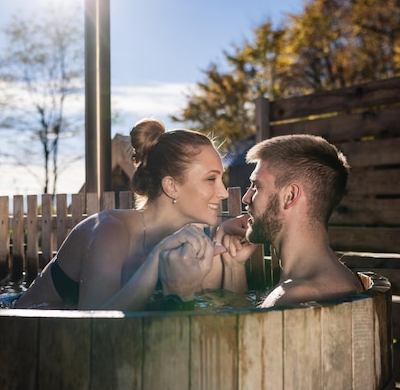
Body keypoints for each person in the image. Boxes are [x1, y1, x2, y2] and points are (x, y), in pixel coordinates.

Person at [14, 118, 244, 311]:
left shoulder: (196, 241)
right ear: (171, 186)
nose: (223, 192)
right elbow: (93, 332)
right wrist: (154, 262)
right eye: (211, 179)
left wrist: (232, 261)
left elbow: (221, 311)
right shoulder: (109, 231)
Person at [214, 134, 365, 308]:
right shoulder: (339, 278)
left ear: (289, 196)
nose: (246, 198)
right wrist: (234, 266)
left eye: (256, 186)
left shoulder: (290, 297)